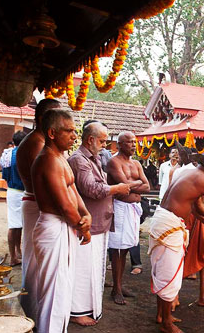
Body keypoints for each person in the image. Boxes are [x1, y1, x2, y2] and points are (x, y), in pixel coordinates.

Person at [151, 148, 204, 333]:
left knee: (164, 272)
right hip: (169, 225)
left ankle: (162, 316)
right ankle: (167, 324)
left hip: (163, 221)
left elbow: (196, 208)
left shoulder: (188, 172)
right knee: (169, 275)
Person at [31, 109, 92, 333]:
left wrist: (87, 215)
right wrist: (82, 227)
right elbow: (65, 206)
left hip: (63, 226)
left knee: (63, 286)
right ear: (52, 133)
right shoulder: (48, 160)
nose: (74, 136)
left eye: (75, 131)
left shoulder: (61, 157)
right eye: (69, 131)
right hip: (53, 226)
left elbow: (73, 190)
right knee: (54, 290)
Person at [67, 122, 132, 326]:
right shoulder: (79, 160)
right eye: (103, 141)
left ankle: (87, 307)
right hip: (88, 225)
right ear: (90, 140)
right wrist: (117, 189)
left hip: (97, 223)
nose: (105, 145)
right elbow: (90, 189)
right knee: (83, 268)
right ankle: (77, 311)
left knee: (93, 267)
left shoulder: (93, 158)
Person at [16, 98, 61, 319]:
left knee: (38, 261)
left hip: (37, 204)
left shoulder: (41, 140)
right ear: (42, 118)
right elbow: (43, 183)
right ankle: (30, 313)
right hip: (36, 205)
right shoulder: (35, 142)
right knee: (34, 263)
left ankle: (34, 310)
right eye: (56, 116)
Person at [106, 131, 151, 305]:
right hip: (119, 208)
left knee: (125, 248)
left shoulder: (136, 164)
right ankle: (116, 289)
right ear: (119, 144)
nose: (133, 145)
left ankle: (119, 285)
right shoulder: (113, 162)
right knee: (117, 249)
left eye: (135, 142)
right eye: (129, 142)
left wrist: (130, 186)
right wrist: (135, 184)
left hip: (133, 209)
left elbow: (147, 186)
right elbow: (122, 187)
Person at [2, 131, 27, 266]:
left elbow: (5, 175)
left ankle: (16, 253)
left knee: (16, 224)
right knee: (17, 225)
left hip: (11, 190)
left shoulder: (7, 154)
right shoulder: (26, 154)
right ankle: (15, 255)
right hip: (23, 190)